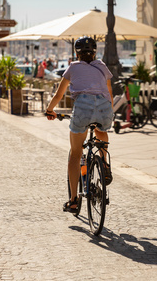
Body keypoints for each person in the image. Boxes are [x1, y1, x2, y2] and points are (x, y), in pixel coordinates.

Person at [45, 36, 114, 213]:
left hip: (83, 108)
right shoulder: (102, 66)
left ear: (77, 53)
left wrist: (49, 110)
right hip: (105, 108)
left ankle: (73, 200)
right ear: (94, 52)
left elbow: (59, 95)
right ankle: (104, 163)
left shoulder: (73, 67)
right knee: (101, 130)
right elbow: (109, 92)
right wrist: (108, 113)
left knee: (75, 155)